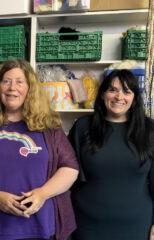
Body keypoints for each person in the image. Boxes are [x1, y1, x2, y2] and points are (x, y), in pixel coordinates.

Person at [0, 59, 79, 240]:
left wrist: (42, 194)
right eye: (6, 81)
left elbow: (70, 168)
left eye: (19, 82)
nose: (12, 87)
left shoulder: (48, 124)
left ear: (29, 88)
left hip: (42, 226)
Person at [68, 69, 154, 240]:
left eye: (127, 91)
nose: (119, 97)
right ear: (102, 94)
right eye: (113, 90)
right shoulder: (82, 127)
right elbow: (66, 172)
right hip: (87, 225)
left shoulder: (149, 129)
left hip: (137, 226)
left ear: (134, 98)